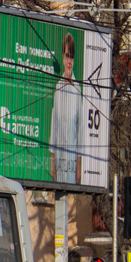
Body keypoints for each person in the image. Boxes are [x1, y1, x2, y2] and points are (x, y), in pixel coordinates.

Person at [49, 32, 83, 184]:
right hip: (60, 157)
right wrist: (52, 163)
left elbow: (80, 127)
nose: (69, 60)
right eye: (67, 55)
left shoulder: (78, 89)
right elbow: (54, 125)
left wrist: (79, 166)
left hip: (72, 160)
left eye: (72, 56)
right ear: (63, 57)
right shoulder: (58, 88)